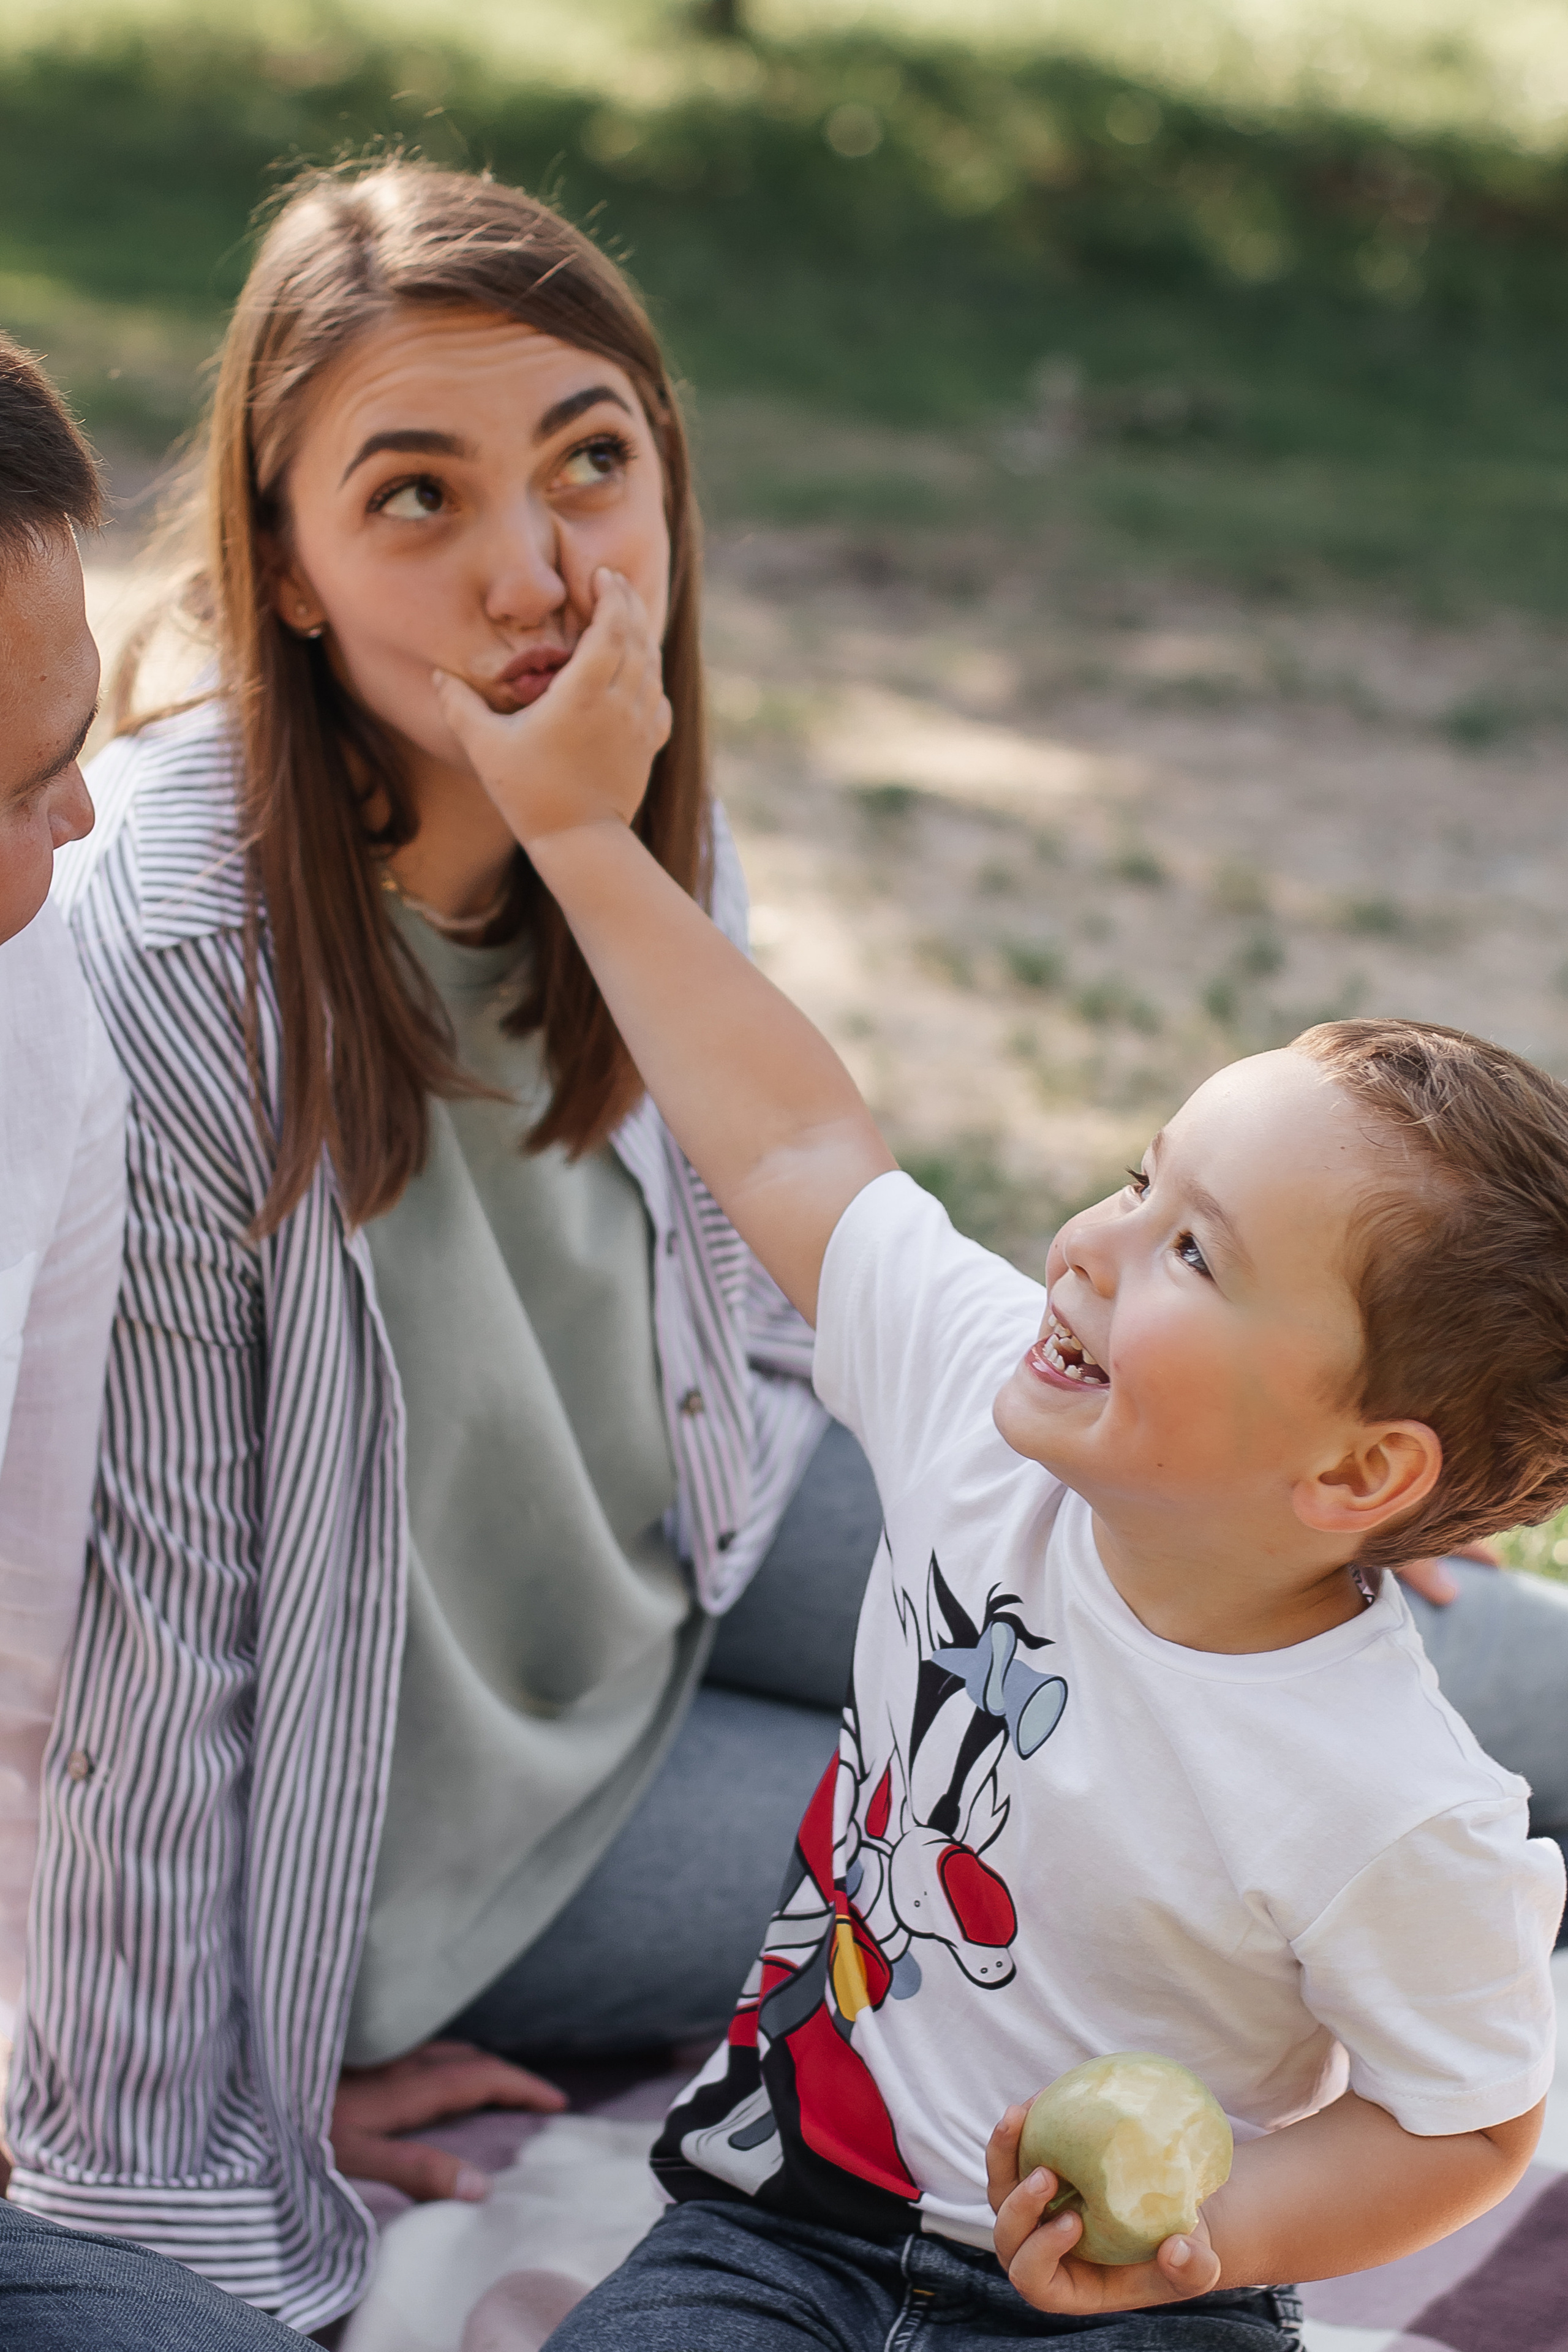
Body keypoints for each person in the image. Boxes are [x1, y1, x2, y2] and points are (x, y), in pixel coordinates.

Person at [426, 601, 1566, 2349]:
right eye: (1139, 1177)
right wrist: (578, 832)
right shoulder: (978, 1408)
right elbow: (796, 1137)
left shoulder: (1391, 1805)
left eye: (1195, 1251)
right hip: (780, 2226)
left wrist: (1209, 2231)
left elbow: (1468, 2122)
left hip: (1135, 2307)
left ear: (1356, 1471)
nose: (1093, 1242)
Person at [12, 162, 878, 2335]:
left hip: (696, 1510)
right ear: (285, 567)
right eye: (417, 497)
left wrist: (1158, 1446)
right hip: (449, 1804)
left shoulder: (635, 800)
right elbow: (147, 1645)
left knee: (1401, 1668)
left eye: (592, 463)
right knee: (1099, 1839)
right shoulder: (169, 966)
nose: (541, 574)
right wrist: (219, 2118)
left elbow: (785, 1225)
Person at [0, 336, 309, 2350]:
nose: (80, 817)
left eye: (68, 748)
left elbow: (23, 1682)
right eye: (13, 788)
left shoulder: (42, 1034)